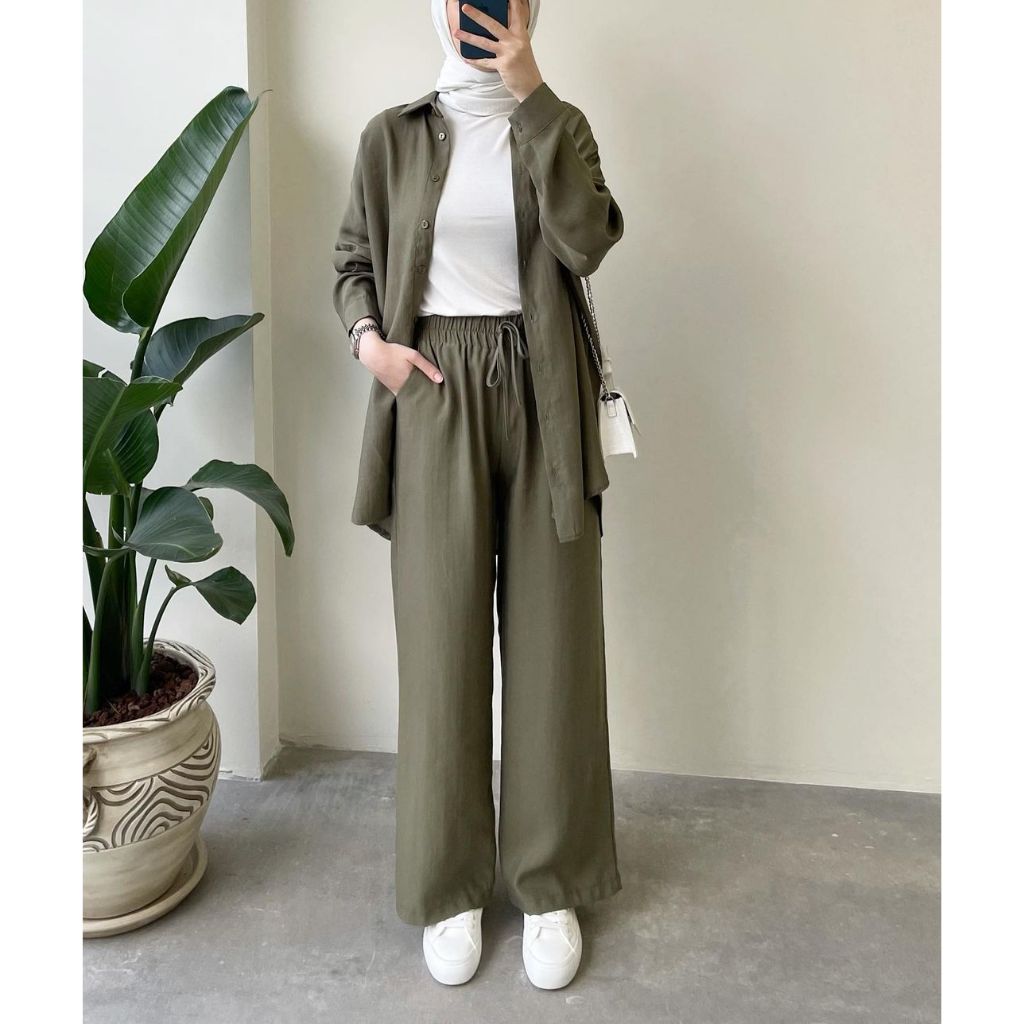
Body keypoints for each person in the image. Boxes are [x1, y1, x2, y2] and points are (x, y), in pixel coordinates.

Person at [332, 0, 624, 990]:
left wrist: (531, 94)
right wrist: (371, 345)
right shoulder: (390, 136)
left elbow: (587, 239)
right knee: (440, 642)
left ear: (533, 10)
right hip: (434, 393)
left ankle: (549, 884)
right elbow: (352, 260)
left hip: (546, 393)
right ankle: (450, 884)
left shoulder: (560, 123)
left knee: (554, 641)